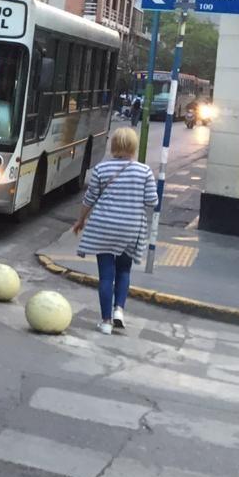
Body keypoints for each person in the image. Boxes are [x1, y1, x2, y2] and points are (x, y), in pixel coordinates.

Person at [72, 127, 159, 334]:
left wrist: (81, 220)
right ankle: (119, 309)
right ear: (133, 146)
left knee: (106, 276)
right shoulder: (144, 171)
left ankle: (106, 322)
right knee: (123, 270)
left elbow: (89, 199)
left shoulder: (102, 170)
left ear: (113, 146)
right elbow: (152, 201)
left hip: (103, 226)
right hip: (129, 227)